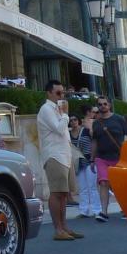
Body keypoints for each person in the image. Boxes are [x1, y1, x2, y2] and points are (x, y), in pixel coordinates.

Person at [38, 81, 80, 241]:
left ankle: (64, 227)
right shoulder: (46, 109)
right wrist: (65, 114)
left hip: (64, 154)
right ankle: (58, 229)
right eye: (58, 93)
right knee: (56, 193)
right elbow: (59, 128)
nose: (62, 96)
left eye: (63, 93)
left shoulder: (56, 109)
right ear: (49, 93)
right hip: (54, 155)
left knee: (64, 193)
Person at [90, 98, 127, 221]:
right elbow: (95, 142)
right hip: (102, 157)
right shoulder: (96, 123)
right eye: (100, 105)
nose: (102, 106)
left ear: (109, 105)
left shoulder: (119, 119)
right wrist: (92, 159)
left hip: (118, 157)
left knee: (119, 185)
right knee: (104, 182)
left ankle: (126, 209)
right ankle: (104, 212)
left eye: (104, 104)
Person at [74, 107, 98, 218]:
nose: (73, 122)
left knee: (92, 186)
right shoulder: (69, 134)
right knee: (83, 187)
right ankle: (84, 210)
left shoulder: (87, 130)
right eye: (71, 120)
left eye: (75, 120)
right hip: (78, 161)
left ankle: (96, 209)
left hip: (89, 160)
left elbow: (95, 139)